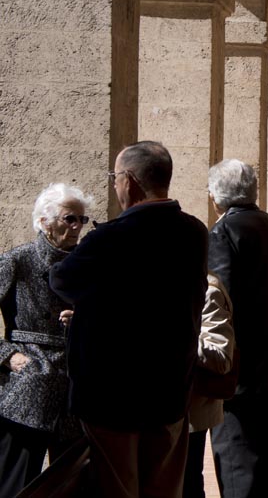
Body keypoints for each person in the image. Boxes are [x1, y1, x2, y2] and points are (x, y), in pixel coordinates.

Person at [49, 141, 208, 498]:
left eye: (114, 177)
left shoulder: (111, 238)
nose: (114, 185)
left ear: (129, 181)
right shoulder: (194, 231)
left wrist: (95, 306)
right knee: (165, 487)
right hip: (170, 388)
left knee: (118, 486)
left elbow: (62, 278)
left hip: (113, 397)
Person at [207, 159, 268, 498]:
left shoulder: (224, 231)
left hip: (241, 367)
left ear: (216, 196)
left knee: (237, 461)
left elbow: (220, 300)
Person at [0, 183, 90, 495]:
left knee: (73, 484)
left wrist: (85, 321)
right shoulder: (18, 260)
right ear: (44, 221)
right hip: (29, 387)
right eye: (70, 219)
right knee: (16, 484)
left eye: (82, 219)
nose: (77, 227)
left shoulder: (88, 265)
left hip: (75, 387)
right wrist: (8, 355)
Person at [184, 273, 236, 498]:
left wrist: (176, 338)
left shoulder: (208, 291)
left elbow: (221, 357)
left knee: (189, 483)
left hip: (190, 412)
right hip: (159, 411)